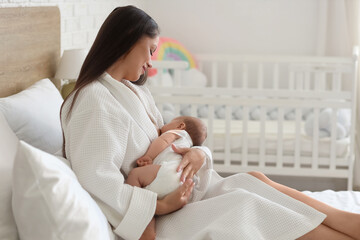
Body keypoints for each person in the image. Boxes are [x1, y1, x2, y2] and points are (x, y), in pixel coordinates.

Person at [60, 5, 360, 240]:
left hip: (180, 190)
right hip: (166, 214)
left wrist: (198, 154)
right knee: (246, 204)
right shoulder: (93, 100)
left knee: (252, 179)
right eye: (151, 50)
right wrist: (160, 207)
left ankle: (347, 222)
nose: (151, 62)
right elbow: (97, 179)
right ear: (126, 40)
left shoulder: (132, 91)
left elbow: (171, 137)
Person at [126, 115, 207, 238]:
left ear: (180, 126)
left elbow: (163, 141)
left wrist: (149, 156)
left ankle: (143, 224)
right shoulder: (187, 145)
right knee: (150, 198)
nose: (163, 125)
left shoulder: (179, 133)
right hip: (181, 183)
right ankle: (149, 227)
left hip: (169, 171)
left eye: (169, 122)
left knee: (135, 176)